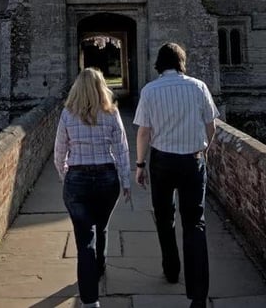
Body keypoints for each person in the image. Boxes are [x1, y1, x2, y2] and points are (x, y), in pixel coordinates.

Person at [133, 42, 219, 308]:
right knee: (195, 223)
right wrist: (204, 150)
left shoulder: (149, 90)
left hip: (162, 161)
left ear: (159, 63)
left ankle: (171, 268)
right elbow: (211, 125)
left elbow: (144, 132)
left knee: (164, 216)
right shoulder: (198, 86)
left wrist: (139, 164)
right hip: (192, 160)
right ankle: (198, 296)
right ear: (182, 62)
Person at [54, 67, 132, 308]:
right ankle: (99, 267)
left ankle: (90, 301)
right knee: (103, 225)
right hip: (107, 178)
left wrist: (64, 174)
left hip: (77, 179)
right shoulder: (111, 113)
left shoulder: (68, 114)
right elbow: (121, 148)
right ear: (102, 88)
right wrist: (126, 181)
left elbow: (59, 152)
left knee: (84, 238)